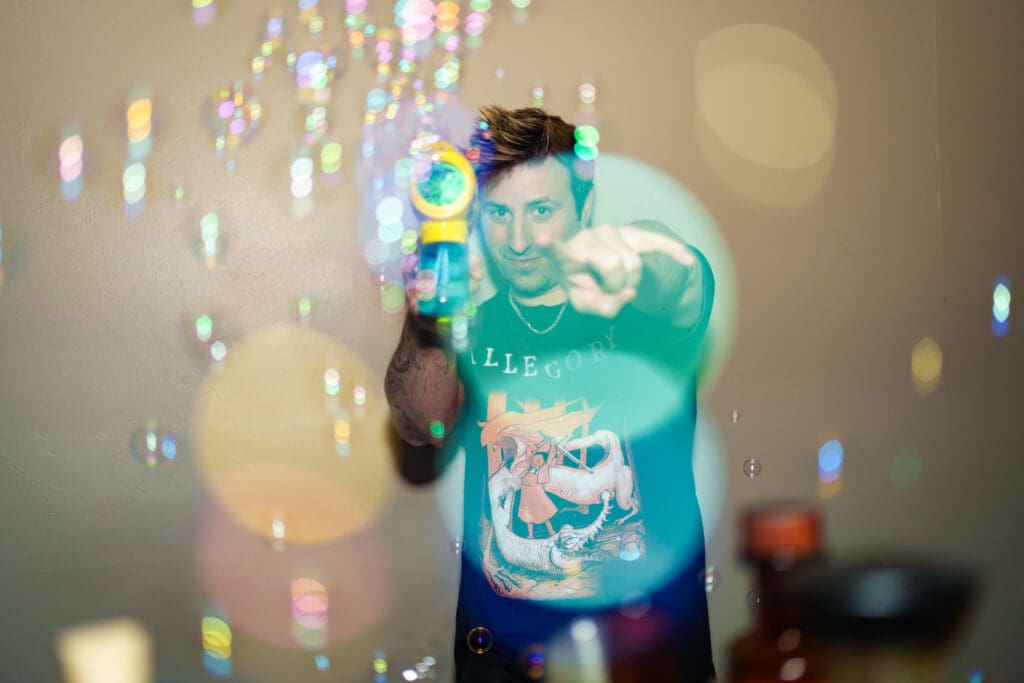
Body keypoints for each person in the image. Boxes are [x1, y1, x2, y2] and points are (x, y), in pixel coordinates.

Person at [385, 105, 716, 682]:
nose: (517, 240)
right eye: (499, 213)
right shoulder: (467, 323)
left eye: (541, 210)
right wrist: (426, 317)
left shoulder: (644, 317)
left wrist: (639, 258)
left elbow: (683, 279)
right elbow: (419, 424)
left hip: (650, 657)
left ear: (585, 208)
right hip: (504, 662)